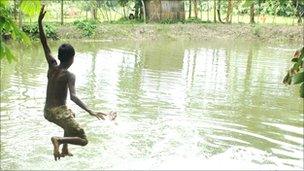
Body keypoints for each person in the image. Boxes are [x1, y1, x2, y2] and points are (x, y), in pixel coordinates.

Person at [38, 5, 117, 161]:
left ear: (60, 56)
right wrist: (91, 111)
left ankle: (65, 149)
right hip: (58, 112)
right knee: (84, 140)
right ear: (72, 58)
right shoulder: (69, 75)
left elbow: (44, 43)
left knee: (70, 113)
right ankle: (58, 141)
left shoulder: (52, 65)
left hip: (47, 111)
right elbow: (73, 97)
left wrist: (39, 23)